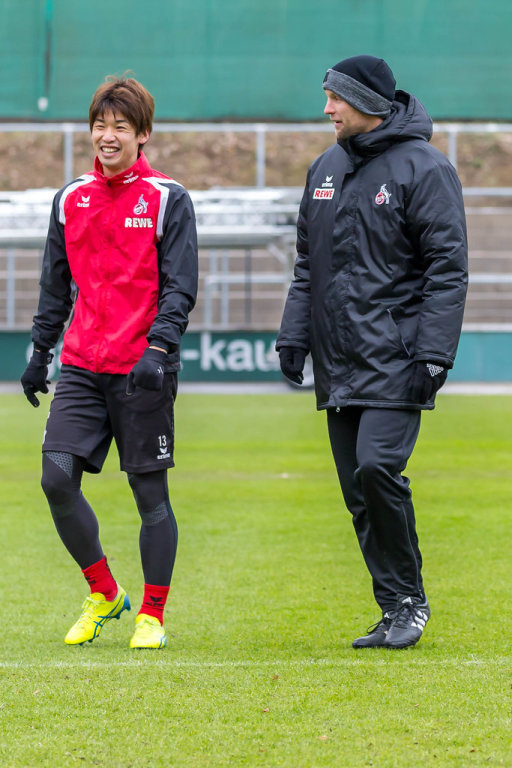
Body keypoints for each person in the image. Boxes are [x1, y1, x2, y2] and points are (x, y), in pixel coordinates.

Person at [276, 55, 468, 649]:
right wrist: (294, 334)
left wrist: (434, 353)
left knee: (377, 467)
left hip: (398, 356)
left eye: (335, 98)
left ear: (367, 103)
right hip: (339, 361)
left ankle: (411, 602)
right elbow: (308, 265)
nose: (326, 109)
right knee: (358, 492)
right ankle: (393, 608)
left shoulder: (425, 168)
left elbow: (447, 268)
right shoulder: (324, 168)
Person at [20, 75, 198, 649]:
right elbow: (55, 286)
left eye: (120, 126)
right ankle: (103, 592)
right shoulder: (70, 199)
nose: (107, 135)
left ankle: (152, 613)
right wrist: (40, 352)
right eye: (100, 125)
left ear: (143, 134)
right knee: (55, 478)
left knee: (150, 496)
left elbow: (180, 287)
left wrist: (159, 349)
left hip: (143, 369)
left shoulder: (168, 198)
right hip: (81, 366)